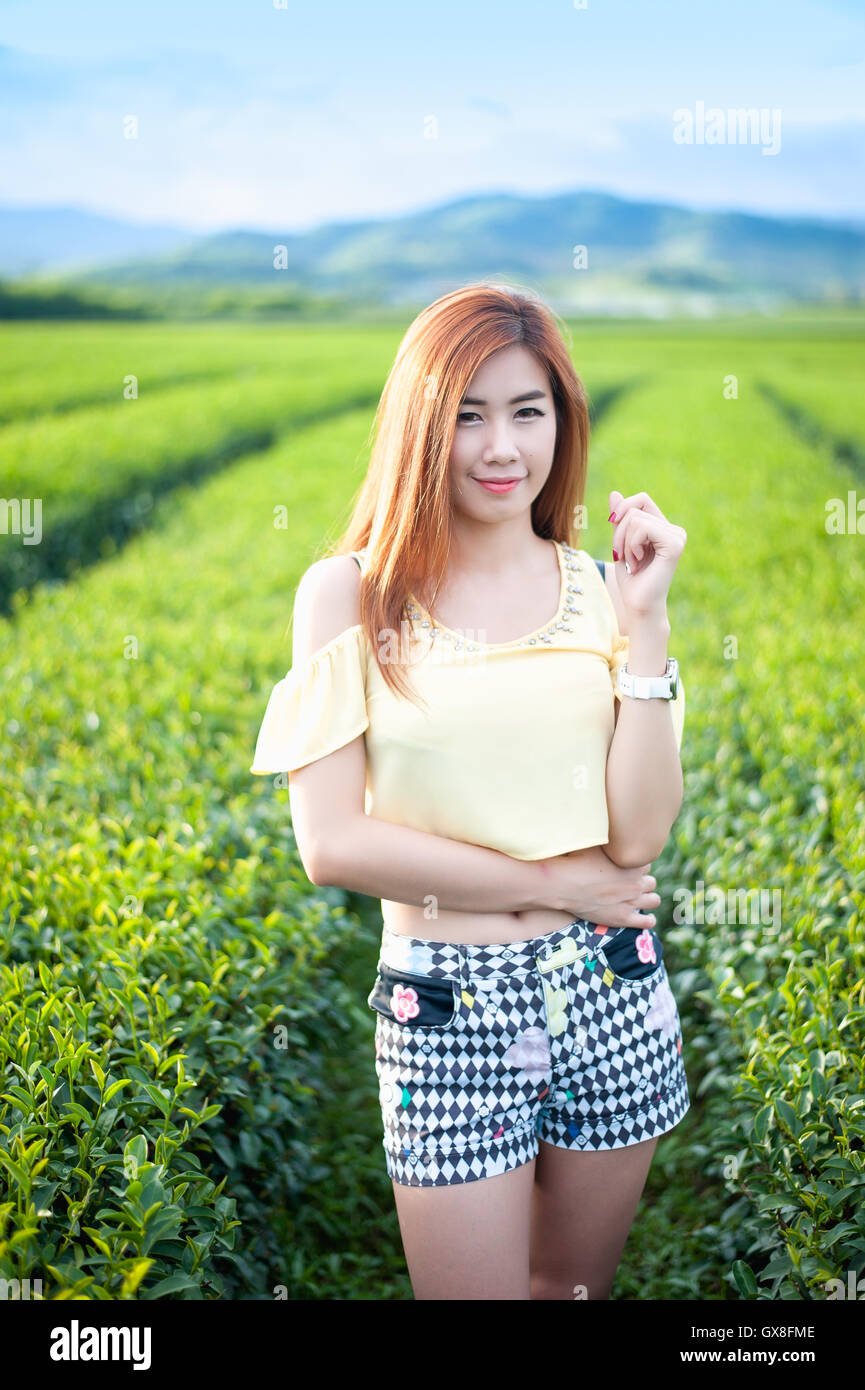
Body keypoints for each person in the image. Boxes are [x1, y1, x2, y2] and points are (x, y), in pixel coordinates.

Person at [250, 282, 690, 1300]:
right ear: (421, 423)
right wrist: (553, 883)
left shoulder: (598, 588)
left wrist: (650, 629)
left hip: (610, 985)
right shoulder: (351, 592)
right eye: (467, 414)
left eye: (527, 411)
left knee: (569, 1291)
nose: (502, 447)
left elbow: (638, 835)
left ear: (560, 422)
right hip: (447, 1003)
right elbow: (332, 843)